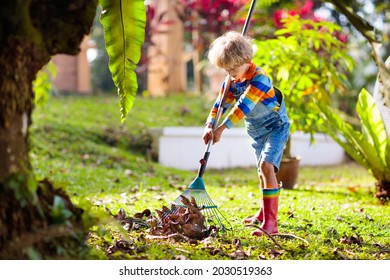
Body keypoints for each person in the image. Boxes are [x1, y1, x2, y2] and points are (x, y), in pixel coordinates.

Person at [202, 31, 290, 236]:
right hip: (256, 131)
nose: (230, 73)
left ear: (246, 59)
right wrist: (209, 124)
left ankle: (271, 224)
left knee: (267, 166)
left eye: (233, 68)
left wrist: (221, 129)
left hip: (275, 127)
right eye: (225, 69)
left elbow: (243, 107)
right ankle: (263, 213)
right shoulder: (232, 80)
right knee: (261, 171)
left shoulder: (260, 78)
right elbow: (220, 104)